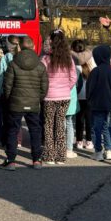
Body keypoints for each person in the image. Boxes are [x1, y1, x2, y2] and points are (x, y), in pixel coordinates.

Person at [0, 35, 48, 170]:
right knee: (35, 130)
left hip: (16, 102)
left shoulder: (13, 63)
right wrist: (37, 98)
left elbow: (7, 85)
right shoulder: (40, 65)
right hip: (33, 103)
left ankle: (11, 161)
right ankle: (36, 160)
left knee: (12, 130)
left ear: (19, 47)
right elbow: (44, 87)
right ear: (33, 47)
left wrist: (10, 99)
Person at [41, 31, 75, 165]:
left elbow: (42, 78)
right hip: (65, 96)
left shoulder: (46, 59)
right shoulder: (69, 59)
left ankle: (50, 155)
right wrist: (67, 88)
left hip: (49, 96)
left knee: (49, 125)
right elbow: (73, 78)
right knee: (60, 124)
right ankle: (61, 156)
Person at [86, 44, 111, 162]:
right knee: (107, 127)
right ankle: (109, 150)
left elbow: (89, 89)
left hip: (96, 104)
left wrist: (89, 101)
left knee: (96, 128)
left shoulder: (95, 72)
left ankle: (98, 151)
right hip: (109, 104)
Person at [71, 39, 94, 152]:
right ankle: (89, 141)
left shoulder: (72, 61)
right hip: (89, 94)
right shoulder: (90, 59)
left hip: (77, 95)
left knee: (79, 119)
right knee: (89, 119)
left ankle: (79, 141)